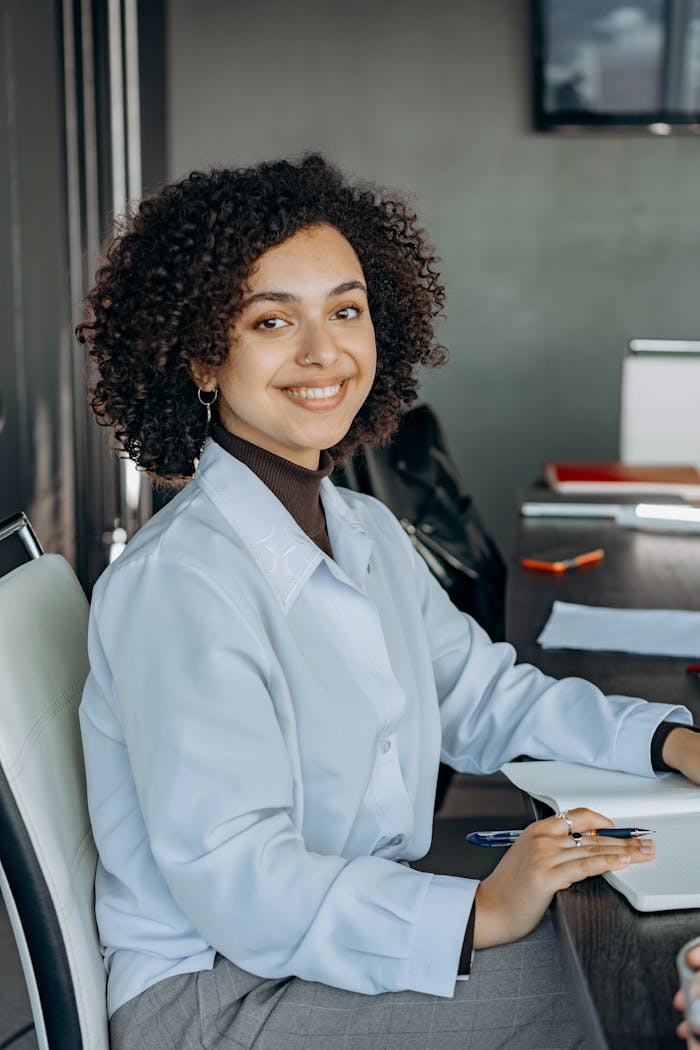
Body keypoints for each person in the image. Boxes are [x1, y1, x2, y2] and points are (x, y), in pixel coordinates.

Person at [77, 154, 700, 1050]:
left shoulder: (358, 526)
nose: (322, 352)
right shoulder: (182, 586)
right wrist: (479, 910)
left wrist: (666, 739)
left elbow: (482, 696)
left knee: (626, 934)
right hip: (222, 996)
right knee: (628, 990)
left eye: (345, 310)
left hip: (322, 940)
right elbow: (241, 879)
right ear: (202, 356)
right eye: (271, 321)